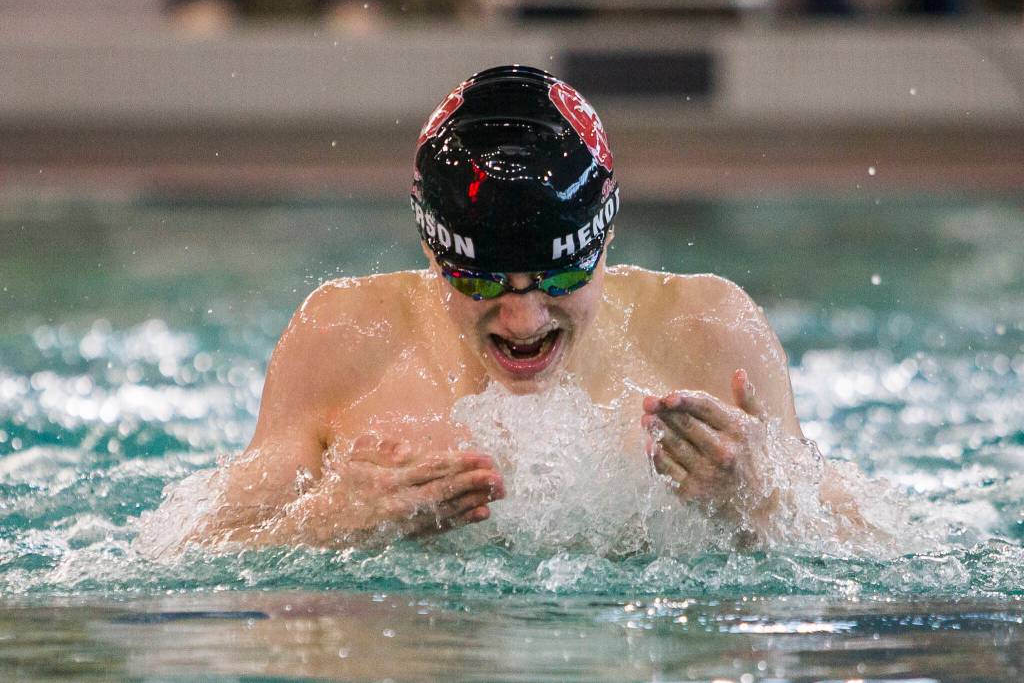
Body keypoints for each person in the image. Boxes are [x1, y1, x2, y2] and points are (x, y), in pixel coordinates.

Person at [188, 65, 879, 551]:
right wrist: (325, 524)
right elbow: (183, 556)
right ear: (434, 255)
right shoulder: (343, 339)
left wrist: (766, 505)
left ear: (605, 238)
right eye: (483, 284)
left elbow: (893, 548)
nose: (523, 323)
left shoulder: (709, 334)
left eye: (557, 280)